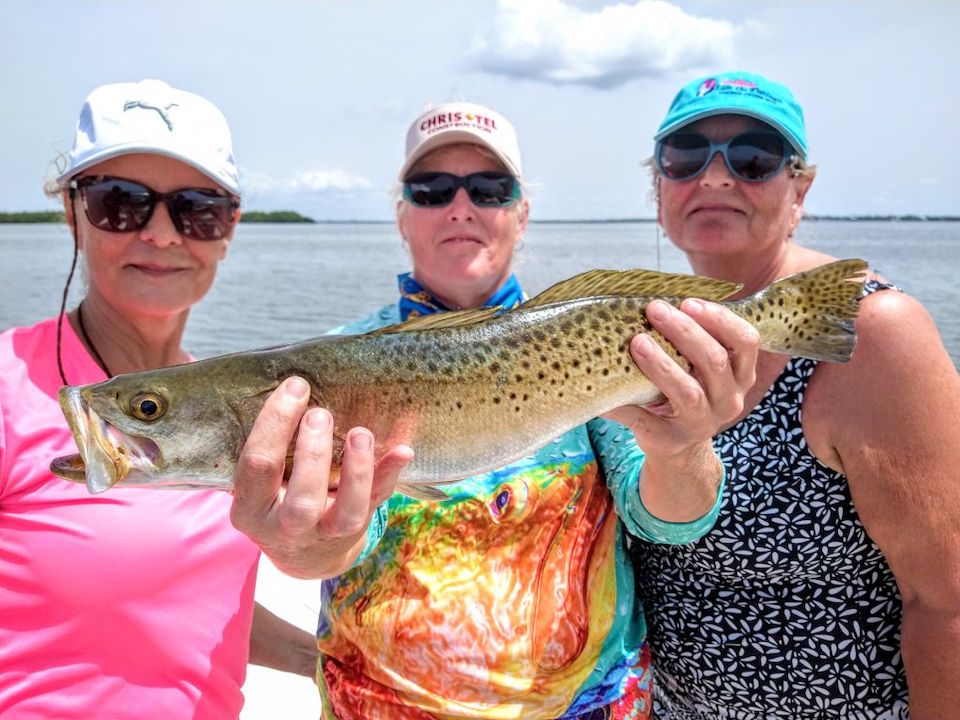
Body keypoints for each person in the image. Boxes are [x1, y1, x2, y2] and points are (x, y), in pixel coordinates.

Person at [297, 101, 761, 720]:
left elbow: (670, 520)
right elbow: (335, 546)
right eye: (432, 190)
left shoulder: (589, 341)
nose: (461, 207)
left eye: (490, 189)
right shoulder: (333, 364)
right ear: (402, 216)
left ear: (521, 214)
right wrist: (306, 541)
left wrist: (683, 447)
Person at [0, 79, 405, 718]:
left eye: (196, 209)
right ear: (72, 212)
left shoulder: (222, 407)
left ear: (229, 227)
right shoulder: (7, 386)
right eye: (120, 203)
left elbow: (190, 604)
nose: (161, 234)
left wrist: (325, 660)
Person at [633, 70, 960, 719]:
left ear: (799, 187)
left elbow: (947, 599)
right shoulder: (654, 325)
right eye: (685, 157)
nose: (716, 177)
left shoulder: (870, 331)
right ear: (659, 186)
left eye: (752, 158)